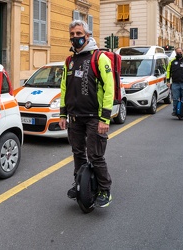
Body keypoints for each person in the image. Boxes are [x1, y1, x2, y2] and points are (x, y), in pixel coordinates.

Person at [59, 20, 114, 208]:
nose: (75, 37)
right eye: (72, 34)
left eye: (79, 33)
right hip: (75, 117)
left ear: (88, 35)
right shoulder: (70, 61)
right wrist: (62, 115)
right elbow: (64, 87)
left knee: (95, 155)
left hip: (94, 117)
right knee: (78, 154)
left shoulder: (99, 58)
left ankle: (105, 190)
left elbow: (109, 89)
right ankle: (79, 183)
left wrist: (104, 118)